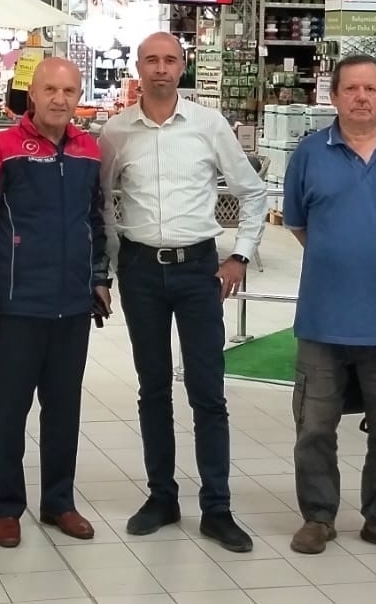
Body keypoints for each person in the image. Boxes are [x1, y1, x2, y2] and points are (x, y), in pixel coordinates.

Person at [99, 31, 267, 552]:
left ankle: (217, 507)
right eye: (151, 59)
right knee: (152, 388)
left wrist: (240, 255)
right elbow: (100, 203)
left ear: (181, 67)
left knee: (207, 391)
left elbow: (252, 191)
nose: (161, 68)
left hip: (198, 272)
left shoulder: (208, 124)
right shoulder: (115, 132)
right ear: (138, 67)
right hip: (141, 272)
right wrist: (110, 266)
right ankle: (162, 497)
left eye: (170, 59)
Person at [282, 54, 376, 560]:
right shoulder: (309, 153)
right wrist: (340, 254)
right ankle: (318, 518)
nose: (361, 97)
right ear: (333, 96)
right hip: (323, 318)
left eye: (371, 88)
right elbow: (297, 223)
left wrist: (372, 251)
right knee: (314, 428)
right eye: (351, 88)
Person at [0, 56, 110, 549]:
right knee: (10, 409)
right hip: (15, 305)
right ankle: (5, 508)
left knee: (64, 408)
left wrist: (98, 279)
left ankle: (59, 502)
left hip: (72, 305)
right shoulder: (2, 149)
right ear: (33, 93)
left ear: (78, 96)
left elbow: (95, 219)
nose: (59, 99)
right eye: (50, 90)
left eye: (69, 91)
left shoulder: (88, 150)